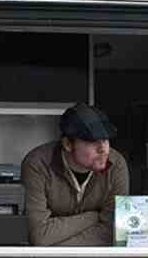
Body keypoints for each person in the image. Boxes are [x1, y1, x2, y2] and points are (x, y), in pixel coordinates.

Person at [22, 104, 131, 246]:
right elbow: (39, 236)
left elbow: (114, 232)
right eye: (92, 141)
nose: (103, 149)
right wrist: (93, 217)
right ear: (68, 144)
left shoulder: (116, 164)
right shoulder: (38, 164)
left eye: (105, 139)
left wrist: (55, 245)